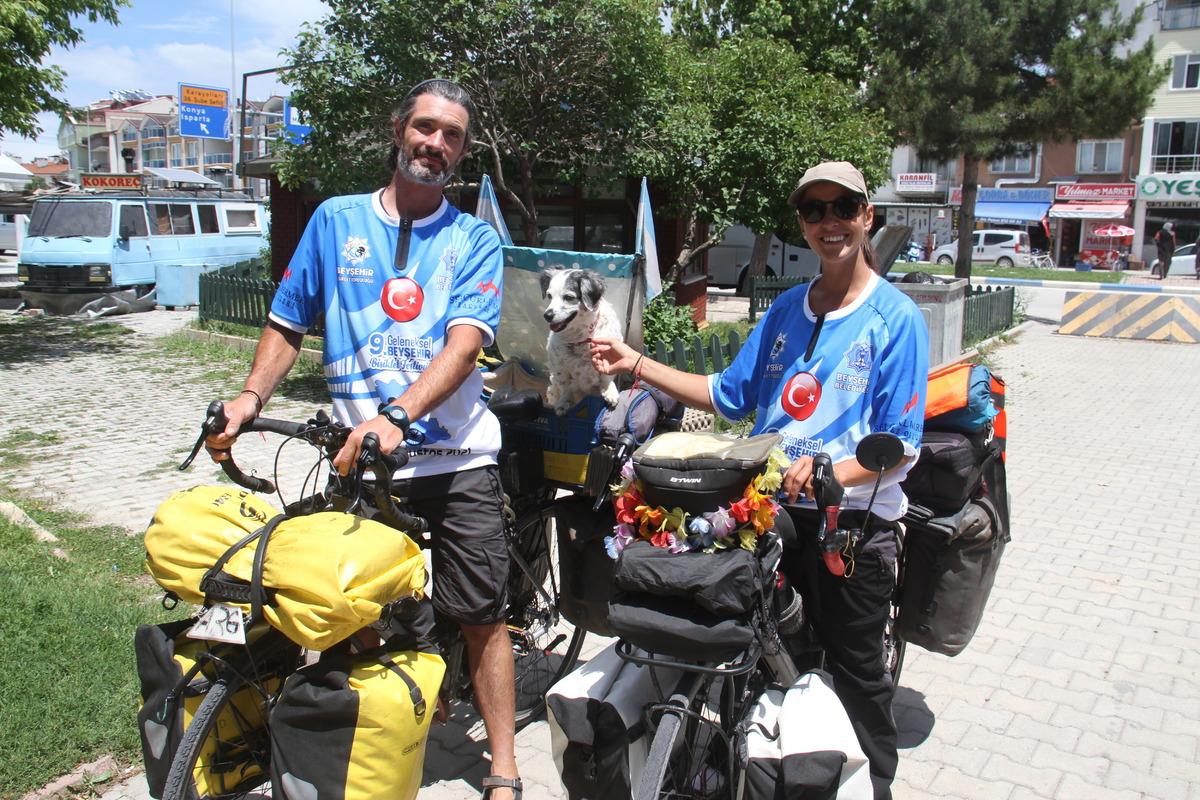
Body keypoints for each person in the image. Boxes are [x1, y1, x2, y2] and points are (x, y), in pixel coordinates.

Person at [205, 79, 522, 800]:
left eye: (453, 137)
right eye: (426, 128)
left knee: (480, 617)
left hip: (455, 457)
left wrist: (398, 415)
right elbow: (289, 322)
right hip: (363, 459)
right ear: (398, 128)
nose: (436, 145)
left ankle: (503, 768)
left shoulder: (473, 237)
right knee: (359, 610)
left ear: (462, 152)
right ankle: (387, 727)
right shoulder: (334, 220)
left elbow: (466, 343)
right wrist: (252, 396)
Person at [591, 161, 928, 799]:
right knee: (760, 659)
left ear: (867, 216)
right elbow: (726, 395)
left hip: (850, 526)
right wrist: (637, 362)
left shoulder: (897, 318)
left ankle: (876, 782)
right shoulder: (784, 313)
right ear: (802, 223)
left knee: (855, 676)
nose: (829, 222)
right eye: (814, 211)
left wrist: (830, 470)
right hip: (767, 509)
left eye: (843, 207)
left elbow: (900, 448)